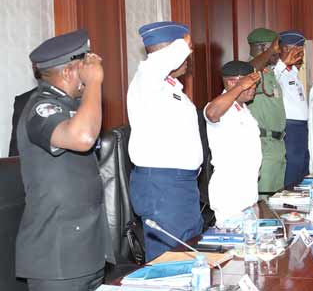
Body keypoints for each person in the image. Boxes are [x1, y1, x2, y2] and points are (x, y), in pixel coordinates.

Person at [16, 29, 114, 290]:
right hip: (57, 257)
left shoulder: (71, 107)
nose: (88, 74)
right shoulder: (40, 108)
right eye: (85, 68)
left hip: (85, 252)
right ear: (70, 72)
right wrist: (94, 83)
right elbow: (82, 137)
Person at [127, 21, 203, 262]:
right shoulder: (146, 78)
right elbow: (158, 61)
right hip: (162, 185)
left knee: (187, 257)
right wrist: (184, 42)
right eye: (183, 49)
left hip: (182, 185)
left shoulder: (171, 87)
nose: (189, 54)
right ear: (170, 51)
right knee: (169, 263)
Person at [203, 60, 261, 225]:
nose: (254, 88)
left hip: (248, 189)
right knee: (232, 245)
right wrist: (240, 87)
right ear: (232, 83)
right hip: (230, 192)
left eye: (254, 84)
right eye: (249, 84)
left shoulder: (244, 110)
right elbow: (212, 113)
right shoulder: (220, 108)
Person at [247, 28, 287, 193]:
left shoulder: (268, 72)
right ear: (264, 48)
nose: (278, 53)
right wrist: (270, 51)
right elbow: (247, 73)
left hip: (278, 144)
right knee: (264, 200)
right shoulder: (250, 70)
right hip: (264, 144)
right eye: (275, 48)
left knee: (277, 200)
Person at [276, 30, 310, 188]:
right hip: (290, 129)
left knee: (302, 171)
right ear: (284, 50)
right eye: (296, 50)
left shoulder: (294, 73)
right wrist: (283, 63)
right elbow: (271, 77)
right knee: (291, 174)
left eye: (301, 51)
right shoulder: (276, 71)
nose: (299, 55)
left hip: (302, 130)